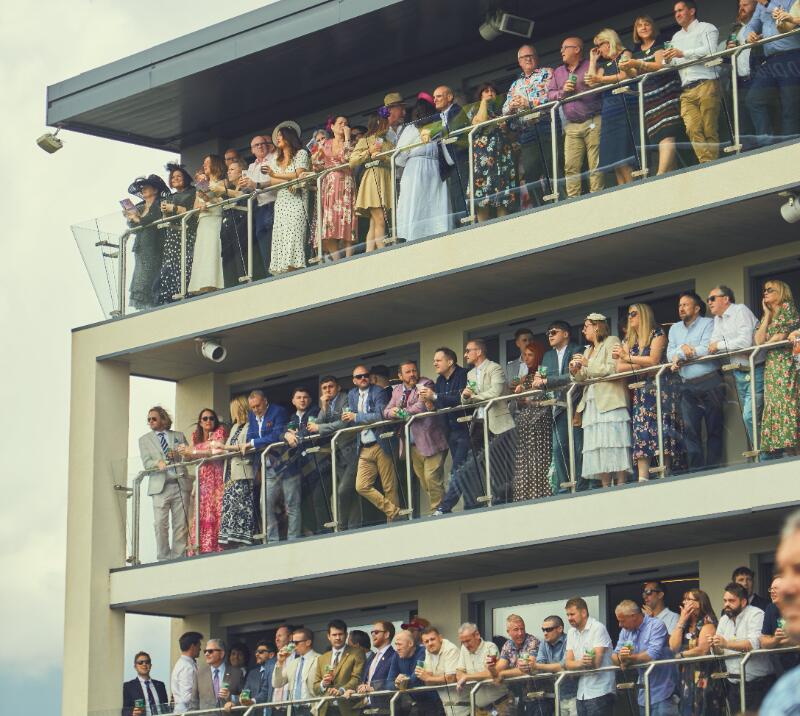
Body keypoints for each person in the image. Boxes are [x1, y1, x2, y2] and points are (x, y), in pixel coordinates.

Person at [613, 303, 683, 481]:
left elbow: (653, 360)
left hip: (661, 389)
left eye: (634, 314)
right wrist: (641, 364)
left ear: (643, 315)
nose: (630, 317)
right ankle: (642, 478)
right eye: (628, 314)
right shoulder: (629, 339)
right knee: (642, 431)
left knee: (663, 428)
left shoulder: (657, 333)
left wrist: (629, 359)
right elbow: (620, 368)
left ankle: (664, 472)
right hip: (642, 391)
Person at [570, 313, 631, 488]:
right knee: (598, 444)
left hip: (610, 399)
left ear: (597, 326)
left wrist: (587, 363)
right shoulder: (588, 350)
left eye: (586, 326)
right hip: (592, 402)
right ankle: (605, 485)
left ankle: (621, 482)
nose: (583, 330)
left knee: (614, 441)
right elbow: (582, 378)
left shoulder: (611, 341)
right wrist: (575, 371)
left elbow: (613, 369)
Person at [666, 291, 724, 471]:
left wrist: (682, 353)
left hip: (711, 381)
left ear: (697, 308)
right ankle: (697, 471)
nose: (681, 308)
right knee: (690, 430)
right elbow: (669, 354)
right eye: (679, 305)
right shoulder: (674, 329)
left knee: (714, 428)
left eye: (685, 305)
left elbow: (707, 348)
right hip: (687, 384)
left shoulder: (708, 323)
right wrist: (682, 353)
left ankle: (713, 469)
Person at [619, 15, 682, 175]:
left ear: (652, 27)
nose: (644, 27)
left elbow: (660, 65)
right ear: (636, 31)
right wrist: (625, 67)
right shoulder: (635, 51)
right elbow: (633, 75)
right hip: (649, 98)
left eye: (647, 24)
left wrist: (638, 63)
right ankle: (670, 175)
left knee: (667, 133)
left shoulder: (660, 42)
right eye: (640, 26)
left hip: (666, 93)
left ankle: (660, 175)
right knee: (660, 136)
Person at [384, 360, 448, 513]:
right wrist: (391, 412)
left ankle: (438, 512)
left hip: (431, 441)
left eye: (414, 370)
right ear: (400, 375)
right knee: (426, 482)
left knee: (432, 478)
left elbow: (420, 407)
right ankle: (443, 508)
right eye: (408, 372)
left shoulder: (425, 383)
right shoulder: (397, 390)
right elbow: (386, 411)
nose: (413, 374)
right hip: (412, 446)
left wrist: (399, 412)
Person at [664, 1, 722, 164]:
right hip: (687, 90)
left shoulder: (707, 28)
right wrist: (668, 60)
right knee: (692, 128)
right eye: (675, 12)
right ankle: (707, 163)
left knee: (709, 127)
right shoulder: (676, 37)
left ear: (692, 11)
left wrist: (683, 53)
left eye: (680, 10)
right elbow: (674, 63)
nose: (677, 14)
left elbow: (711, 51)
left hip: (707, 83)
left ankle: (712, 164)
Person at [418, 348, 475, 514]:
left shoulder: (465, 374)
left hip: (467, 428)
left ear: (450, 362)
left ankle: (444, 507)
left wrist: (435, 397)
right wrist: (429, 402)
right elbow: (439, 405)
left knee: (457, 469)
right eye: (434, 360)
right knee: (465, 469)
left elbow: (461, 399)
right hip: (450, 431)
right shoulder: (440, 381)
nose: (435, 363)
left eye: (438, 360)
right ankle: (472, 506)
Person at [707, 284, 764, 450]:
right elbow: (712, 345)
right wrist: (720, 345)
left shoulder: (740, 310)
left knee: (750, 415)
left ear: (726, 299)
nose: (709, 302)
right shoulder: (717, 319)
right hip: (739, 371)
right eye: (708, 300)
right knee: (748, 416)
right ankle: (759, 453)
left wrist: (720, 345)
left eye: (712, 298)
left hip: (756, 368)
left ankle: (766, 455)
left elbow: (744, 342)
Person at [461, 338, 517, 505]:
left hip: (497, 423)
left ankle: (505, 499)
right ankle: (480, 499)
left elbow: (496, 392)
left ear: (478, 352)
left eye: (468, 350)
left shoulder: (495, 368)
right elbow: (466, 399)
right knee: (475, 462)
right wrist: (465, 397)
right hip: (478, 422)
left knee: (500, 463)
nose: (465, 355)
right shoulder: (470, 374)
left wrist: (474, 398)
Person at [547, 38, 604, 198]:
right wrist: (563, 91)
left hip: (593, 119)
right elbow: (550, 94)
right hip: (571, 125)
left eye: (565, 48)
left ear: (577, 49)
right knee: (570, 165)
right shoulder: (558, 72)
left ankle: (597, 196)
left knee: (595, 163)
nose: (561, 51)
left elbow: (597, 88)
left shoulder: (590, 65)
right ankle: (573, 199)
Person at [344, 364, 402, 522]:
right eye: (359, 376)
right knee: (361, 486)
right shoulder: (352, 394)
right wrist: (350, 419)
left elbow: (380, 416)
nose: (363, 378)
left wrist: (356, 417)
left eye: (365, 375)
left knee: (389, 486)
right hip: (363, 446)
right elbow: (350, 418)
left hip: (381, 443)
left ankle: (393, 524)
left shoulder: (379, 391)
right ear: (354, 381)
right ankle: (393, 511)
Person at [534, 321, 585, 493]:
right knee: (558, 448)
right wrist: (538, 382)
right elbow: (541, 378)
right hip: (557, 407)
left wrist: (547, 381)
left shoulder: (578, 350)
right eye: (548, 333)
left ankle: (580, 485)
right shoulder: (547, 356)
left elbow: (572, 376)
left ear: (566, 334)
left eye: (554, 332)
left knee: (578, 447)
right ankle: (564, 487)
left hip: (576, 404)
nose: (550, 335)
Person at [502, 44, 554, 208]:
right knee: (531, 173)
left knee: (551, 166)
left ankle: (556, 201)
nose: (528, 59)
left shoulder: (547, 73)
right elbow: (504, 110)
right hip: (527, 131)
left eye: (531, 56)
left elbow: (553, 96)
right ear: (519, 62)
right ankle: (540, 207)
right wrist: (511, 107)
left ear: (536, 58)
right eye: (525, 57)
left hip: (545, 124)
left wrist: (529, 103)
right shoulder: (515, 85)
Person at [586, 29, 640, 186]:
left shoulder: (625, 53)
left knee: (623, 155)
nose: (599, 50)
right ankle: (623, 190)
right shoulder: (605, 64)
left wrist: (600, 79)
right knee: (614, 160)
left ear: (608, 42)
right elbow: (591, 82)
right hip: (609, 112)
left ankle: (632, 188)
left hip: (623, 107)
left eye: (599, 46)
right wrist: (592, 60)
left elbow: (624, 75)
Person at [306, 375, 361, 530]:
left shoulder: (345, 398)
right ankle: (353, 527)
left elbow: (344, 422)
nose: (328, 390)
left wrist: (321, 428)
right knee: (350, 493)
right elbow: (314, 427)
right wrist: (323, 407)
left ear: (337, 387)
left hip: (352, 451)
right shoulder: (326, 404)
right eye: (324, 388)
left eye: (330, 386)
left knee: (343, 490)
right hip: (337, 454)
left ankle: (343, 526)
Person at [710, 581, 774, 712]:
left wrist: (726, 643)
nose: (726, 604)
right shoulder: (723, 619)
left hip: (757, 684)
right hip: (733, 685)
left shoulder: (756, 614)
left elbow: (753, 644)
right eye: (725, 600)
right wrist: (714, 644)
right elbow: (719, 651)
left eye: (731, 601)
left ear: (743, 602)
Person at [760, 509, 800, 714]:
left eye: (799, 569)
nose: (784, 589)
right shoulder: (783, 697)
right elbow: (764, 640)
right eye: (783, 571)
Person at [396, 96, 452, 241]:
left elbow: (399, 157)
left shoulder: (410, 128)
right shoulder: (436, 126)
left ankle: (415, 236)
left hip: (415, 168)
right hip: (432, 167)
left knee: (416, 202)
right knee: (433, 202)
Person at [138, 406, 191, 561]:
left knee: (181, 525)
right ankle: (163, 558)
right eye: (148, 419)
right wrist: (158, 462)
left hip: (179, 482)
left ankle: (178, 557)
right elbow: (146, 462)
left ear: (163, 419)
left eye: (154, 418)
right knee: (160, 525)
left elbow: (189, 457)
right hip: (160, 487)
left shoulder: (178, 435)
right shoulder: (144, 440)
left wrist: (180, 454)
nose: (150, 422)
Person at [744, 0, 800, 146]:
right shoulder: (759, 6)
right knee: (754, 100)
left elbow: (792, 18)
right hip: (770, 60)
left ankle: (791, 146)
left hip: (791, 55)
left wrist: (768, 3)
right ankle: (766, 145)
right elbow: (751, 25)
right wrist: (749, 34)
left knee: (790, 104)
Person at [756, 279, 800, 456]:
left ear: (781, 292)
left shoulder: (787, 308)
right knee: (775, 405)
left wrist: (770, 340)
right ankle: (789, 453)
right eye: (764, 290)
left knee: (788, 404)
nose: (765, 293)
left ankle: (795, 452)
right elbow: (759, 341)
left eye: (770, 290)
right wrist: (766, 315)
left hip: (786, 364)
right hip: (772, 366)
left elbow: (780, 336)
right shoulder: (768, 315)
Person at [611, 601, 677, 716]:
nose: (620, 625)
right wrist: (621, 658)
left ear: (633, 617)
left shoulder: (656, 625)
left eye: (622, 621)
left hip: (664, 692)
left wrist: (628, 659)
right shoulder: (625, 631)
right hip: (643, 693)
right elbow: (614, 656)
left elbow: (651, 655)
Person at [263, 122, 310, 274]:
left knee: (295, 233)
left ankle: (295, 267)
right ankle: (284, 270)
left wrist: (276, 175)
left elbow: (299, 172)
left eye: (280, 136)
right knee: (282, 236)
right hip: (282, 201)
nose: (278, 139)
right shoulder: (276, 159)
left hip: (297, 200)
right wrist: (283, 178)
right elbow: (272, 182)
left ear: (289, 137)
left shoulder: (301, 153)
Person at [178, 407, 227, 555]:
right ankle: (201, 545)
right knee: (201, 511)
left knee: (215, 509)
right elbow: (188, 457)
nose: (208, 421)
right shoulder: (196, 436)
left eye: (211, 418)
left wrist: (192, 452)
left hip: (215, 476)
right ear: (200, 421)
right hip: (201, 477)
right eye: (205, 418)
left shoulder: (219, 432)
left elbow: (215, 452)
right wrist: (183, 452)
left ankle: (216, 545)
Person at [467, 82, 518, 222]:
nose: (490, 93)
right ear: (480, 95)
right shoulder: (474, 109)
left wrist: (505, 129)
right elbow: (479, 122)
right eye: (486, 91)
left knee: (503, 199)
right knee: (482, 199)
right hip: (483, 162)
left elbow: (513, 135)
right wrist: (483, 103)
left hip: (502, 160)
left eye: (492, 91)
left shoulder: (501, 111)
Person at [669, 589, 723, 715]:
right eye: (684, 599)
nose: (684, 602)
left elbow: (703, 650)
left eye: (689, 599)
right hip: (686, 675)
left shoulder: (707, 622)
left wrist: (681, 655)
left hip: (704, 675)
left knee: (703, 709)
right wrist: (681, 621)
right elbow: (673, 646)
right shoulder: (685, 624)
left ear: (699, 603)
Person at [246, 390, 290, 541]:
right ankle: (272, 540)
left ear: (265, 401)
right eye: (252, 407)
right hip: (264, 466)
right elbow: (249, 436)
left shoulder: (278, 411)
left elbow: (275, 436)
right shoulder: (252, 415)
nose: (255, 410)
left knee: (290, 504)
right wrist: (254, 442)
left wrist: (254, 443)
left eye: (258, 405)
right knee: (265, 504)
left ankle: (293, 538)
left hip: (283, 464)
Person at [311, 115, 357, 261]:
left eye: (346, 123)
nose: (343, 125)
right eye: (340, 123)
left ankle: (349, 258)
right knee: (329, 225)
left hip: (346, 184)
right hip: (330, 186)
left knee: (347, 220)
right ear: (332, 127)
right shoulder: (326, 144)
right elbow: (317, 166)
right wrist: (316, 157)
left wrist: (348, 137)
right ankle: (337, 260)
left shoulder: (350, 143)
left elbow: (348, 159)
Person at [350, 110, 395, 252]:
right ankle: (382, 250)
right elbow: (352, 161)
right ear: (379, 123)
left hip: (385, 176)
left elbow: (394, 160)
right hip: (372, 177)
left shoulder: (388, 142)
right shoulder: (365, 140)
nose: (387, 125)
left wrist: (382, 157)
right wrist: (369, 151)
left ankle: (369, 252)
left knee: (374, 222)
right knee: (380, 219)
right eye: (385, 122)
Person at [283, 386, 325, 536]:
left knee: (318, 500)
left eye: (305, 397)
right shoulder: (291, 418)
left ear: (310, 399)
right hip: (299, 466)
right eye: (299, 397)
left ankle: (323, 531)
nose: (302, 400)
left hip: (316, 463)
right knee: (302, 501)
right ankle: (309, 530)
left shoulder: (314, 412)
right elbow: (283, 432)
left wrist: (295, 435)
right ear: (293, 401)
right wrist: (286, 435)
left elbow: (310, 429)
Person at [512, 342, 552, 501]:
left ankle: (541, 494)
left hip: (540, 423)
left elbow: (547, 396)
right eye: (525, 356)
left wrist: (529, 398)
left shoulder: (543, 374)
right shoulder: (524, 378)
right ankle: (525, 497)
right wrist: (519, 394)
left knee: (539, 461)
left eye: (530, 355)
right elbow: (519, 404)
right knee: (525, 463)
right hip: (525, 426)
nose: (527, 358)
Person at [563, 597, 616, 716]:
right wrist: (582, 663)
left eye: (572, 614)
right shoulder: (571, 632)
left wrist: (577, 664)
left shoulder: (598, 627)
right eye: (567, 615)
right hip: (581, 693)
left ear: (584, 612)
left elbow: (595, 663)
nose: (569, 618)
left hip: (601, 691)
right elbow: (568, 664)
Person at [125, 174, 169, 310]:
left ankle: (153, 305)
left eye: (146, 187)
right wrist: (131, 217)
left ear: (155, 190)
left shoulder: (160, 203)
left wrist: (137, 219)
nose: (143, 190)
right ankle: (145, 308)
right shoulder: (140, 207)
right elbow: (133, 226)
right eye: (142, 188)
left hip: (154, 245)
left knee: (150, 276)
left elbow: (152, 219)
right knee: (140, 277)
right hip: (140, 247)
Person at [217, 396, 255, 547]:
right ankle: (231, 539)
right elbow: (229, 446)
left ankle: (243, 539)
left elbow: (248, 446)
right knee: (230, 506)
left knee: (242, 505)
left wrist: (224, 448)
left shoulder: (251, 425)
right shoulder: (234, 427)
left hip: (244, 470)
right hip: (230, 472)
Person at [157, 163, 196, 304]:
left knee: (187, 262)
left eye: (179, 176)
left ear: (185, 177)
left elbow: (193, 211)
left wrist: (174, 207)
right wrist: (165, 211)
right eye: (173, 177)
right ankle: (173, 293)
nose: (176, 179)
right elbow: (166, 219)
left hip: (187, 232)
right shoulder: (171, 196)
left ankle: (186, 291)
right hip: (173, 235)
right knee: (171, 265)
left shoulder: (193, 192)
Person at [239, 135, 277, 279]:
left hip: (274, 203)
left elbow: (274, 181)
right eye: (256, 145)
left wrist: (255, 185)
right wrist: (245, 186)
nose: (260, 147)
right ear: (252, 150)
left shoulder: (274, 159)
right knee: (263, 241)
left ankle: (278, 271)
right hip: (260, 207)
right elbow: (248, 191)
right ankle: (269, 274)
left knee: (274, 239)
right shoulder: (251, 167)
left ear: (268, 145)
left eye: (262, 144)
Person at [188, 154, 226, 294]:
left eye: (207, 163)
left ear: (215, 164)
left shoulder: (223, 182)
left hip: (214, 219)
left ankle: (213, 282)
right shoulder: (201, 185)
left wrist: (209, 200)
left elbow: (220, 199)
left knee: (212, 249)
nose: (204, 165)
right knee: (202, 251)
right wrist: (200, 207)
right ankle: (202, 283)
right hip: (203, 221)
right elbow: (195, 207)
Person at [313, 620, 367, 716]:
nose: (338, 638)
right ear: (328, 636)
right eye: (334, 635)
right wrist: (323, 684)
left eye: (340, 634)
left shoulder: (357, 653)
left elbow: (357, 678)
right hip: (325, 709)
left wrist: (341, 690)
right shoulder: (322, 658)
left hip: (347, 707)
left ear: (346, 635)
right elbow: (315, 687)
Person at [455, 623, 510, 716]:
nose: (466, 645)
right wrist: (465, 676)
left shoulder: (490, 647)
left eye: (468, 641)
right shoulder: (464, 649)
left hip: (499, 705)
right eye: (463, 642)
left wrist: (467, 677)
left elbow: (491, 673)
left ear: (477, 635)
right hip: (479, 709)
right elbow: (459, 674)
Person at [432, 85, 468, 224]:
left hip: (462, 160)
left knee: (465, 192)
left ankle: (469, 221)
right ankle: (463, 222)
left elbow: (456, 130)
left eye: (439, 96)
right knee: (456, 195)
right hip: (450, 166)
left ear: (450, 97)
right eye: (434, 97)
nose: (435, 100)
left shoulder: (457, 111)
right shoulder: (436, 118)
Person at [415, 626, 466, 716]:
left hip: (464, 705)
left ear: (440, 638)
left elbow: (451, 678)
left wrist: (428, 677)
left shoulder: (450, 649)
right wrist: (428, 677)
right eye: (426, 641)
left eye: (432, 639)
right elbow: (428, 683)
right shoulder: (428, 651)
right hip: (446, 705)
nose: (430, 643)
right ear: (423, 643)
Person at [388, 630, 441, 716]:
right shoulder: (396, 655)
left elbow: (415, 680)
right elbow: (388, 683)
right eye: (396, 644)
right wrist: (397, 683)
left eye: (400, 644)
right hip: (416, 704)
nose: (397, 648)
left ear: (410, 644)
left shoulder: (423, 652)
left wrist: (401, 681)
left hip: (433, 703)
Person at [529, 616, 575, 716]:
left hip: (574, 694)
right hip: (558, 695)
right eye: (543, 630)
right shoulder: (543, 643)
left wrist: (536, 666)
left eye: (549, 629)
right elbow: (540, 665)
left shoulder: (569, 640)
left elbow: (563, 666)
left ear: (560, 629)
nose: (545, 633)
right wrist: (534, 666)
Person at [271, 628, 319, 711]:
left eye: (296, 643)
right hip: (293, 710)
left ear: (308, 642)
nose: (293, 646)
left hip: (311, 708)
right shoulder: (293, 663)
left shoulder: (319, 659)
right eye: (292, 643)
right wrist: (280, 662)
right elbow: (277, 684)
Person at [760, 574, 800, 674]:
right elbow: (763, 642)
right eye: (771, 589)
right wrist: (776, 639)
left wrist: (777, 642)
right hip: (781, 668)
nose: (772, 592)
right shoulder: (770, 608)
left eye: (776, 588)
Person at [219, 158, 249, 288]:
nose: (228, 172)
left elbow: (243, 195)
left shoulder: (246, 185)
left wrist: (222, 190)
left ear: (241, 172)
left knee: (242, 262)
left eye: (232, 169)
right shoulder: (229, 189)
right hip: (229, 231)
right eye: (228, 170)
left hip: (242, 228)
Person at [492, 614, 541, 686]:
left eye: (522, 629)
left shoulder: (532, 641)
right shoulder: (507, 645)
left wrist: (503, 674)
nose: (520, 633)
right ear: (508, 632)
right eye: (516, 629)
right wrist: (491, 669)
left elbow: (526, 669)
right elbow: (499, 668)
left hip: (535, 691)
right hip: (517, 691)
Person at [194, 638, 243, 710]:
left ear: (221, 654)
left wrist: (231, 697)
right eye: (205, 651)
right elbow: (193, 701)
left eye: (210, 651)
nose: (206, 654)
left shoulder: (236, 673)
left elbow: (245, 697)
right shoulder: (200, 673)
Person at [350, 620, 396, 694]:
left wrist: (373, 688)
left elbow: (394, 682)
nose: (373, 634)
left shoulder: (394, 656)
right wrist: (354, 690)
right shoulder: (372, 658)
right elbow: (365, 682)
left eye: (376, 632)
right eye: (372, 632)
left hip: (384, 703)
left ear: (387, 634)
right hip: (366, 703)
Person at [122, 651, 169, 716]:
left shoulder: (160, 685)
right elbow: (124, 711)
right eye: (140, 662)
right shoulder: (128, 687)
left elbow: (166, 708)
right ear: (135, 667)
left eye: (147, 662)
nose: (144, 664)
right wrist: (132, 713)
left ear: (151, 665)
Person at [239, 640, 276, 716]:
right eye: (256, 652)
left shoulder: (276, 670)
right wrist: (243, 698)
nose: (257, 654)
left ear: (271, 654)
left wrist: (253, 701)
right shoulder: (252, 673)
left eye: (261, 652)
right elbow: (246, 691)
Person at [172, 631, 203, 714]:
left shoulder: (185, 664)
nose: (200, 649)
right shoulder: (186, 667)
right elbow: (186, 697)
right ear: (193, 646)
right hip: (186, 712)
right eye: (199, 646)